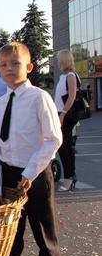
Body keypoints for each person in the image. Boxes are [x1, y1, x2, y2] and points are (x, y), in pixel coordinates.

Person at [0, 42, 65, 256]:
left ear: (28, 67)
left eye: (15, 64)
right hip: (7, 176)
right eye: (3, 65)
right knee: (10, 236)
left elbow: (53, 140)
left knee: (45, 236)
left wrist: (30, 173)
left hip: (36, 174)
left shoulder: (40, 98)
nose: (8, 69)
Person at [54, 49, 78, 191]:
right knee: (67, 146)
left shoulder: (70, 76)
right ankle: (71, 175)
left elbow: (72, 97)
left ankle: (68, 178)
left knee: (61, 145)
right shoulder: (63, 77)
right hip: (60, 113)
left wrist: (62, 114)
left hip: (67, 115)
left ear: (64, 60)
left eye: (59, 60)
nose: (57, 62)